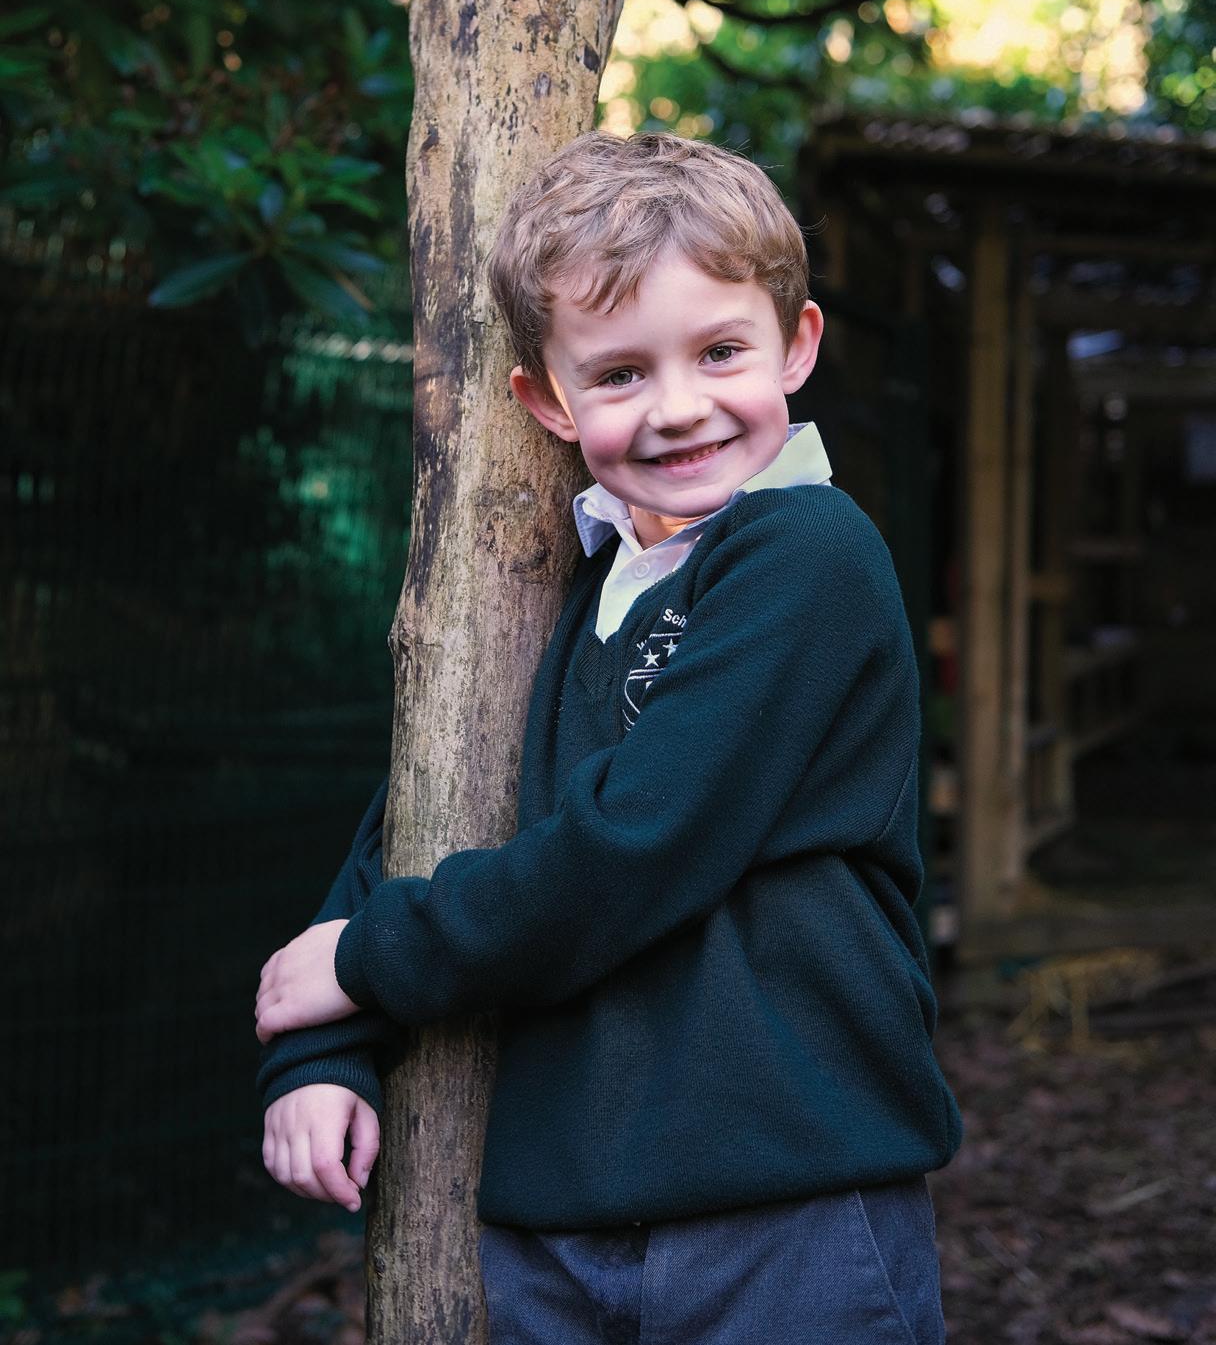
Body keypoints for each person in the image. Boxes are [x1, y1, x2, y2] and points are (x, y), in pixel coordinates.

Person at [255, 131, 963, 1343]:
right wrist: (321, 1051)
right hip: (557, 1229)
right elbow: (429, 812)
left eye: (721, 352)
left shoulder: (807, 554)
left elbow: (638, 842)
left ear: (796, 345)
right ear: (548, 400)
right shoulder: (570, 587)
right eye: (621, 373)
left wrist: (369, 959)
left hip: (785, 1207)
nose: (680, 407)